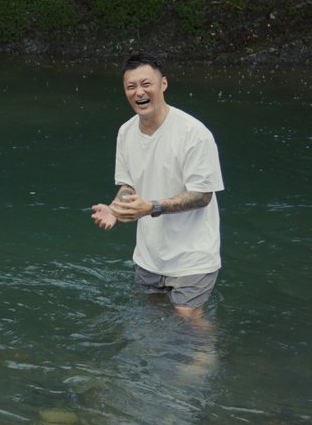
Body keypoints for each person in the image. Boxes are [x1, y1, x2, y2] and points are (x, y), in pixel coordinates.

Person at [91, 54, 224, 318]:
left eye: (146, 84)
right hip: (149, 254)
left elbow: (202, 195)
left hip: (193, 255)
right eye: (131, 87)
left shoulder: (193, 134)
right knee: (151, 318)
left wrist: (151, 207)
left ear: (163, 84)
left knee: (188, 318)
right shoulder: (126, 132)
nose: (139, 92)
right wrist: (117, 209)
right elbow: (129, 184)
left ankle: (206, 357)